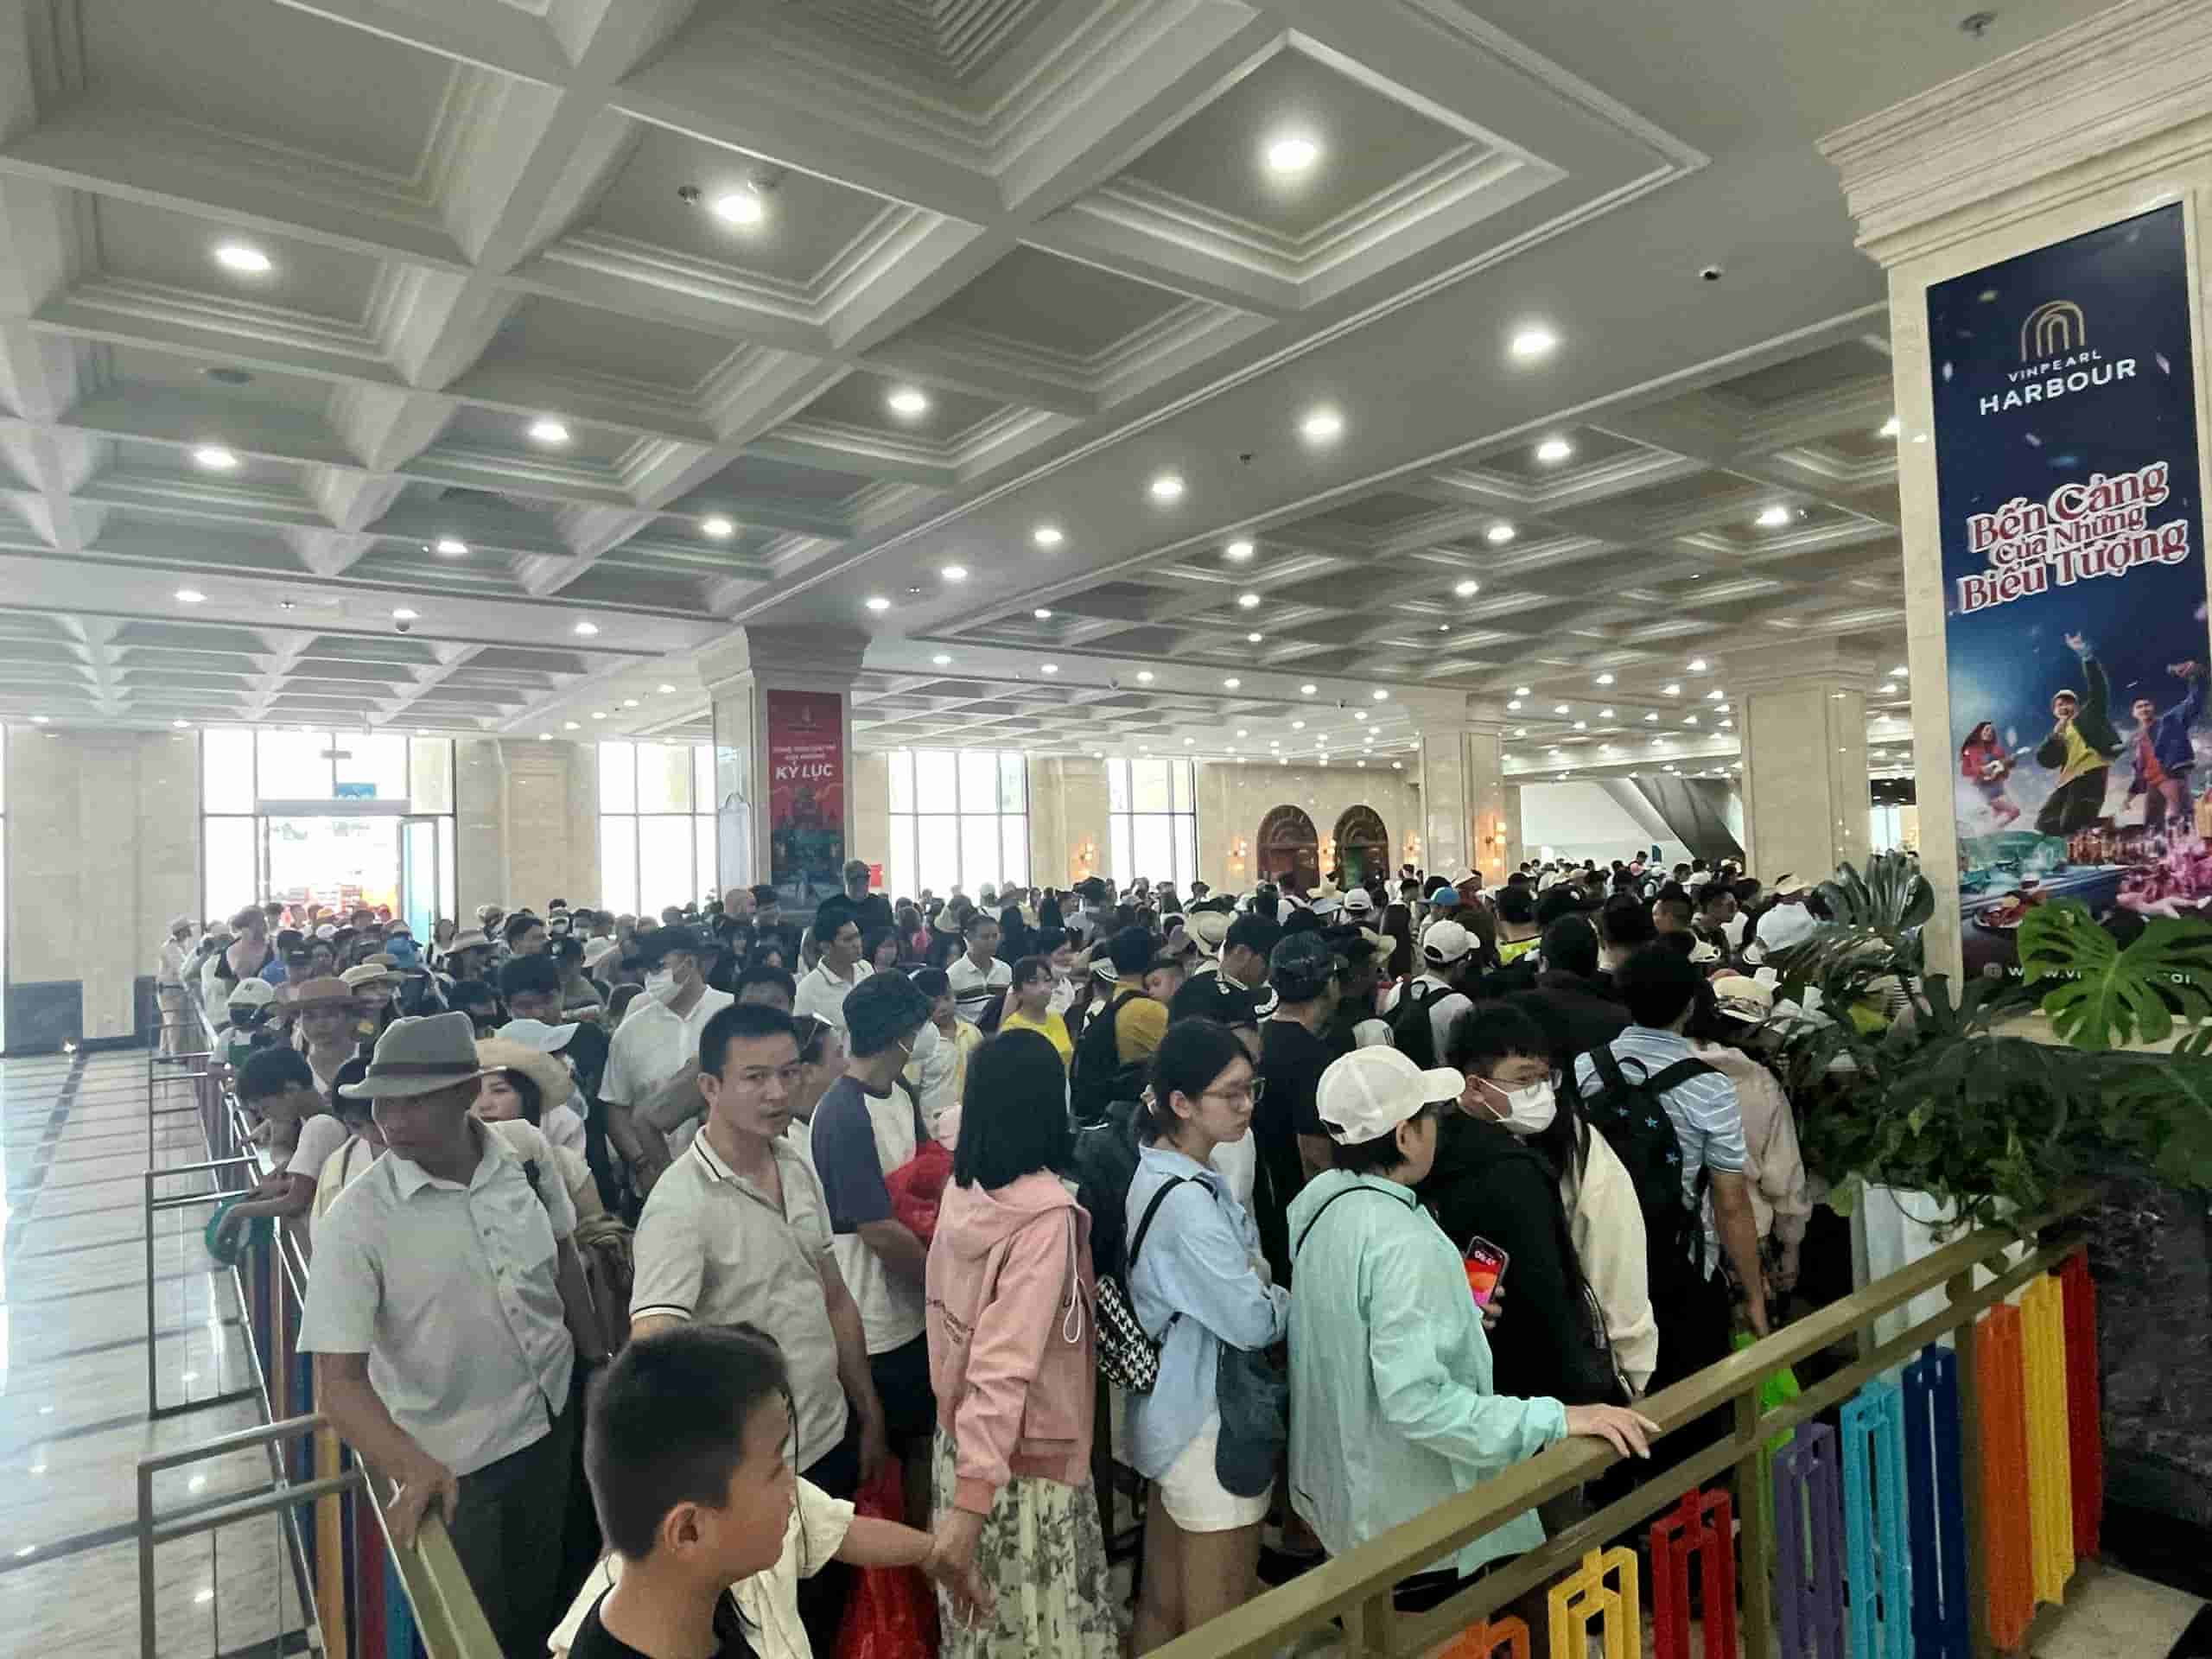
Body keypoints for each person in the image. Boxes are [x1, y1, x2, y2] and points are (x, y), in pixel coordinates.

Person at [1287, 1046, 1657, 1612]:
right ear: (1405, 1135)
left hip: (1351, 1508)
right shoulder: (1399, 1239)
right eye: (1430, 1116)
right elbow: (1419, 1404)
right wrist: (1558, 1417)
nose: (1439, 1127)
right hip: (1421, 1527)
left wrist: (1452, 1313)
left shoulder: (1325, 1213)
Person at [298, 1014, 609, 1656]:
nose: (393, 1119)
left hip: (551, 1422)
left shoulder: (524, 1155)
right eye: (383, 1102)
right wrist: (412, 1468)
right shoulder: (357, 1220)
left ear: (467, 1093)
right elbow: (339, 1386)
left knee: (548, 1593)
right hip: (456, 1467)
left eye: (414, 1102)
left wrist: (595, 1359)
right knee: (478, 1627)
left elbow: (563, 1261)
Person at [626, 1004, 892, 1653]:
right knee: (768, 1635)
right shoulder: (680, 1205)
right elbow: (653, 1346)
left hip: (826, 1437)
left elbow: (833, 1298)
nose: (776, 1092)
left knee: (827, 1617)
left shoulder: (794, 1160)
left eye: (788, 1073)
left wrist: (868, 1410)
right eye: (753, 1078)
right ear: (710, 1088)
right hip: (751, 1477)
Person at [552, 1325, 987, 1659]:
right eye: (776, 1468)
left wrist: (933, 1554)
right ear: (689, 1531)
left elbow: (837, 1529)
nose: (792, 1488)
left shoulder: (699, 1599)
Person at [925, 1030, 1120, 1658]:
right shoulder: (1044, 1218)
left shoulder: (966, 1186)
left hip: (960, 1443)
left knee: (987, 1630)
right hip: (1021, 1460)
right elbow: (1004, 1366)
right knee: (1038, 1632)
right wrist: (974, 1504)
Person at [1126, 1021, 1290, 1653]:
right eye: (1231, 1093)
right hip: (1209, 1427)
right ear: (1181, 1103)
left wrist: (1254, 1283)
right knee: (1223, 1629)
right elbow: (1250, 1319)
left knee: (1164, 1608)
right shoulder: (1190, 1205)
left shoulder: (1168, 1172)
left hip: (1176, 1415)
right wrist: (1276, 1295)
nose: (1247, 1106)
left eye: (1252, 1089)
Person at [1573, 946, 1770, 1394]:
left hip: (1604, 1258)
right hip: (1683, 1264)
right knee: (1694, 1401)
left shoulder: (1588, 1068)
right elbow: (1731, 1201)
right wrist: (1753, 1291)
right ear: (1690, 1005)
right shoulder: (1710, 1086)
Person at [1428, 1005, 1626, 1409]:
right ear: (1475, 1085)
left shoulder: (1439, 1144)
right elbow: (1545, 1292)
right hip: (1534, 1384)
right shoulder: (1513, 1173)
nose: (1540, 1092)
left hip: (1478, 1377)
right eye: (1523, 1079)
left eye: (1544, 1078)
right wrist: (1582, 1390)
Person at [810, 970, 938, 1525]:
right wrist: (945, 1283)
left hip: (912, 1307)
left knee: (920, 1446)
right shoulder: (842, 1113)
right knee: (885, 1460)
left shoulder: (900, 1094)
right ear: (899, 1035)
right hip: (873, 1317)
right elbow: (877, 1228)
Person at [1693, 977, 1814, 1310]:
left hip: (1686, 1238)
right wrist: (1791, 1246)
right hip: (1749, 1236)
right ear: (1757, 1031)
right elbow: (1784, 1178)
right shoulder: (1762, 1085)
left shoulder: (1673, 1068)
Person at [602, 925, 734, 1192]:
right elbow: (616, 1106)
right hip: (659, 1182)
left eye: (658, 967)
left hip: (732, 1173)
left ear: (690, 962)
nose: (651, 977)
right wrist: (641, 1164)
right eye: (647, 970)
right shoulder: (630, 1031)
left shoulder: (732, 1012)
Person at [216, 1047, 356, 1250]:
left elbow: (295, 1202)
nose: (267, 1117)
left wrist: (236, 1212)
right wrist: (283, 1184)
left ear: (291, 1090)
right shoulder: (328, 1113)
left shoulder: (319, 1126)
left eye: (265, 1108)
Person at [2035, 632, 2123, 837]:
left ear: (2076, 705)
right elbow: (2045, 761)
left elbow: (2099, 688)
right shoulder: (2058, 732)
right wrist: (2054, 736)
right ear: (2054, 712)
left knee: (2071, 822)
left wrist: (2086, 656)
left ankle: (2090, 837)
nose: (2063, 706)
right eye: (2058, 705)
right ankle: (2100, 826)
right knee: (2044, 822)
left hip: (2090, 774)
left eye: (2067, 702)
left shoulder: (2089, 714)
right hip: (2066, 780)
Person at [1383, 918, 1479, 1068]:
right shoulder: (1461, 1005)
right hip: (1443, 1086)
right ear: (1461, 965)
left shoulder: (1397, 991)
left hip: (1403, 1079)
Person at [2126, 658, 2207, 834]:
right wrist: (2128, 798)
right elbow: (2140, 773)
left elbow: (2193, 703)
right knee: (2152, 830)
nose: (2144, 708)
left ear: (2153, 707)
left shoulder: (2169, 721)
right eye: (2139, 706)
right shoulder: (2138, 740)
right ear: (2134, 713)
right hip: (2154, 785)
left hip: (2173, 778)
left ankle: (2187, 856)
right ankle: (2159, 858)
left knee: (2181, 824)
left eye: (2147, 704)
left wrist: (2194, 678)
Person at [907, 968, 982, 1140]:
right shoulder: (918, 1044)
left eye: (948, 998)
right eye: (934, 1002)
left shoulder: (972, 1032)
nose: (943, 1007)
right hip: (934, 1132)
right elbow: (913, 1091)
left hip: (972, 1125)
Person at [793, 899, 874, 1035]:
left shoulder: (866, 969)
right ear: (826, 947)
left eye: (857, 936)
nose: (857, 944)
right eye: (848, 940)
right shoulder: (807, 991)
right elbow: (804, 1042)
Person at [996, 956, 1071, 1067]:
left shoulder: (1055, 1017)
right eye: (1033, 982)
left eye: (1047, 980)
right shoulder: (1012, 1029)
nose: (1043, 989)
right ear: (1017, 992)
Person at [947, 912, 1011, 1026]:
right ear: (969, 937)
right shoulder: (953, 974)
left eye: (995, 936)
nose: (992, 941)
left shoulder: (1006, 970)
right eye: (985, 937)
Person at [1960, 721, 2021, 827]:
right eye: (1987, 729)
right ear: (1980, 731)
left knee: (1996, 817)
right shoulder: (1970, 749)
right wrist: (1981, 769)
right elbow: (1965, 771)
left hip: (1999, 789)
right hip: (1984, 789)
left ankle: (1987, 833)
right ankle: (1988, 827)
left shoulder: (1999, 750)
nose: (1989, 732)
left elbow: (2005, 775)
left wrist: (2010, 765)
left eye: (1992, 731)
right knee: (2014, 812)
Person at [842, 860, 895, 934]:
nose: (862, 882)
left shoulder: (882, 905)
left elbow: (890, 935)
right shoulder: (833, 907)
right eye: (856, 878)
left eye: (866, 877)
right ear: (846, 880)